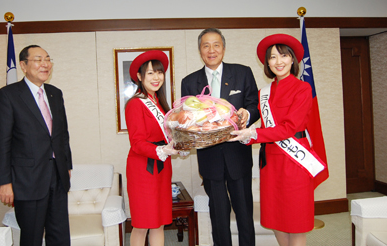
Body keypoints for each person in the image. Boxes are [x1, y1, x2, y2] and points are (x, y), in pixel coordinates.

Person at [229, 34, 327, 246]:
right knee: (275, 220)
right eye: (272, 57)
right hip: (271, 162)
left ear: (292, 59)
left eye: (283, 55)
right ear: (267, 63)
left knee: (296, 223)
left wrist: (254, 134)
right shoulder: (264, 92)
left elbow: (290, 128)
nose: (278, 61)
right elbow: (264, 129)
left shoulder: (303, 89)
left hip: (295, 161)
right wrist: (244, 133)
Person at [181, 28, 259, 246]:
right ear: (200, 51)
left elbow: (255, 105)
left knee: (244, 215)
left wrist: (247, 114)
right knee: (219, 217)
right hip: (210, 159)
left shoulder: (243, 73)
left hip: (238, 155)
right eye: (206, 46)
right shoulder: (189, 82)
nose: (211, 50)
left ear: (223, 48)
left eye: (216, 45)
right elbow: (186, 118)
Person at [0, 45, 72, 246]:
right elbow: (1, 142)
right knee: (32, 238)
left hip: (57, 176)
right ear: (23, 65)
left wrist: (67, 165)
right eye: (38, 59)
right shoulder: (8, 95)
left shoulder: (55, 93)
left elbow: (62, 135)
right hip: (27, 180)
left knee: (60, 235)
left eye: (47, 59)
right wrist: (4, 182)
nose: (45, 64)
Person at [125, 50, 184, 246]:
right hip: (143, 169)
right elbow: (137, 143)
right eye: (150, 73)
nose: (156, 77)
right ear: (140, 77)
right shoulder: (135, 104)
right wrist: (163, 151)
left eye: (159, 72)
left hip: (161, 168)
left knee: (159, 222)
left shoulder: (160, 103)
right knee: (142, 224)